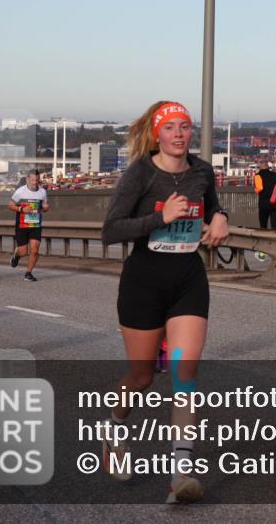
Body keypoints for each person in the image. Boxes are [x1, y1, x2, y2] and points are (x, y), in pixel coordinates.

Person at [100, 100, 229, 504]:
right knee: (140, 378)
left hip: (188, 279)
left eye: (185, 127)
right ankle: (114, 429)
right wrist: (161, 218)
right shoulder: (141, 172)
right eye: (170, 127)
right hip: (143, 282)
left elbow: (212, 207)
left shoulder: (202, 171)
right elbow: (111, 230)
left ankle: (182, 475)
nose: (179, 134)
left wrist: (220, 217)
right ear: (157, 133)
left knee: (184, 375)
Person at [8, 169, 50, 282]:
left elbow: (44, 207)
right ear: (27, 179)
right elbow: (10, 205)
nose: (34, 183)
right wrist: (21, 209)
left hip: (36, 225)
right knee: (23, 252)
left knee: (35, 250)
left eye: (36, 180)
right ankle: (17, 254)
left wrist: (46, 208)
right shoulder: (20, 192)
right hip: (22, 225)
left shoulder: (42, 192)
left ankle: (28, 273)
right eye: (32, 180)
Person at [253, 161, 276, 230]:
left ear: (260, 167)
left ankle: (264, 239)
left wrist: (255, 190)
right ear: (268, 167)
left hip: (263, 204)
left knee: (263, 225)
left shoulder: (258, 175)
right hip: (274, 203)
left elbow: (259, 188)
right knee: (274, 225)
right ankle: (275, 238)